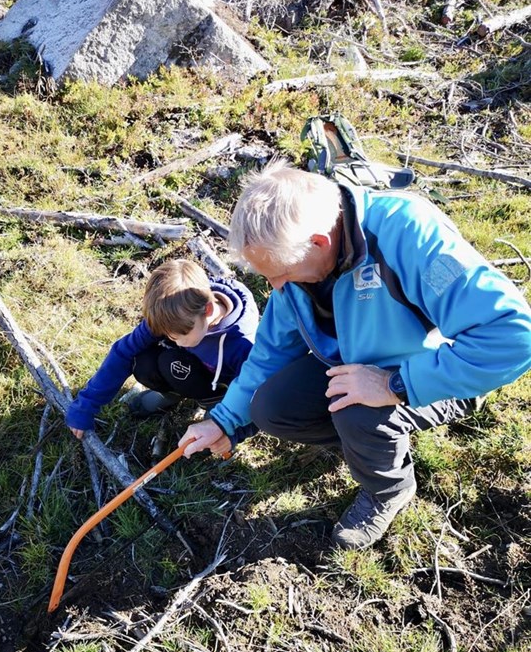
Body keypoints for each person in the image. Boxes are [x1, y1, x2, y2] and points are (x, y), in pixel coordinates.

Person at [179, 159, 531, 549]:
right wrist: (224, 422)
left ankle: (388, 488)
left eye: (279, 272)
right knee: (270, 408)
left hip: (442, 371)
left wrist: (395, 384)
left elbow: (512, 336)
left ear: (319, 243)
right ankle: (369, 441)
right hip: (356, 360)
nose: (275, 287)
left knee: (355, 408)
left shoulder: (408, 236)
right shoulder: (296, 270)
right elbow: (270, 353)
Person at [66, 258, 259, 439]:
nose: (178, 341)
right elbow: (123, 352)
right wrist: (86, 406)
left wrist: (231, 431)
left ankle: (213, 403)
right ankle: (171, 393)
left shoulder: (241, 344)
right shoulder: (175, 310)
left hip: (224, 387)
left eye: (182, 335)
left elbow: (255, 393)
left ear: (207, 310)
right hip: (183, 366)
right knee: (143, 359)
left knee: (207, 442)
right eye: (169, 336)